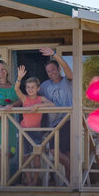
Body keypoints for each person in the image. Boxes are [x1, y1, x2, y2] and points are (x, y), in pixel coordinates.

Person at [15, 65, 54, 187]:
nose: (30, 89)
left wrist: (38, 106)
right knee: (26, 157)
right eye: (28, 87)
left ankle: (35, 180)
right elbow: (16, 90)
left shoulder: (40, 99)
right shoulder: (24, 99)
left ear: (38, 88)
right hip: (25, 131)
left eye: (33, 87)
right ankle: (28, 179)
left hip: (37, 131)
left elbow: (52, 104)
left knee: (37, 157)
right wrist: (19, 78)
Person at [38, 47, 74, 178]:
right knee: (54, 151)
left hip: (69, 121)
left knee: (68, 153)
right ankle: (76, 170)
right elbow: (31, 96)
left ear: (59, 69)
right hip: (54, 125)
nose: (51, 73)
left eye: (53, 69)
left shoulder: (68, 80)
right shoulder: (44, 86)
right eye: (48, 71)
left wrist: (54, 55)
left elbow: (67, 68)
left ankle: (71, 183)